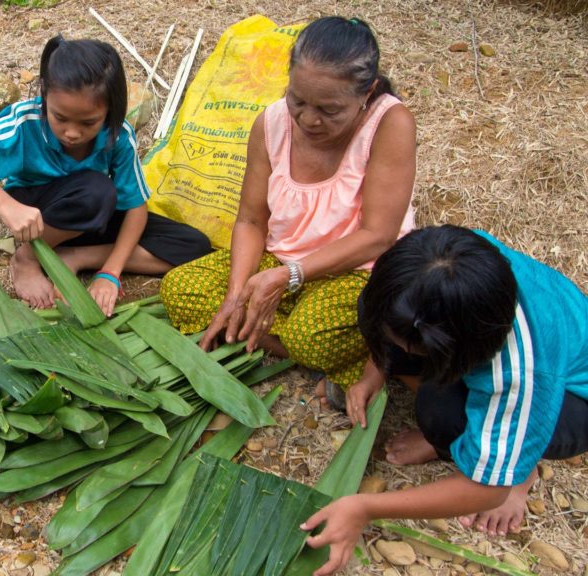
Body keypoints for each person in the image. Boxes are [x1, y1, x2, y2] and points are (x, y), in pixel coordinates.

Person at [302, 225, 588, 574]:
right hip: (494, 342)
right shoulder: (435, 260)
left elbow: (486, 491)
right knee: (373, 309)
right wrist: (373, 372)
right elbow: (389, 316)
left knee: (442, 414)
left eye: (406, 347)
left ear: (458, 354)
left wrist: (365, 507)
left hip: (572, 401)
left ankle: (520, 469)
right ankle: (482, 440)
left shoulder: (517, 374)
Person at [159, 16, 416, 406]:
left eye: (329, 110)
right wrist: (235, 295)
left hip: (358, 271)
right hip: (280, 260)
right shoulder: (272, 122)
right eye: (298, 100)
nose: (309, 119)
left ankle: (327, 347)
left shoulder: (389, 124)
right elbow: (250, 219)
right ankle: (274, 331)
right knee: (181, 290)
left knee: (309, 335)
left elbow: (377, 236)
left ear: (369, 92)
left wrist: (289, 276)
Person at [0, 36, 212, 316]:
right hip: (39, 218)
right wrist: (4, 204)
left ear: (109, 111)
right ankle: (28, 259)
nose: (72, 133)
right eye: (60, 117)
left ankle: (75, 257)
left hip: (90, 217)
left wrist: (110, 273)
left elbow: (136, 208)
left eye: (88, 122)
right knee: (96, 192)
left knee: (193, 246)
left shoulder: (117, 135)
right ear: (45, 96)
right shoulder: (25, 121)